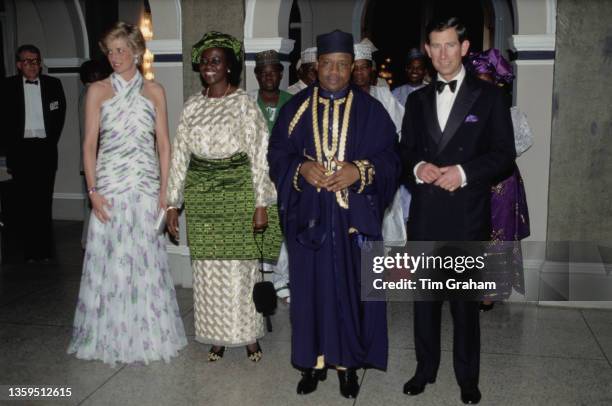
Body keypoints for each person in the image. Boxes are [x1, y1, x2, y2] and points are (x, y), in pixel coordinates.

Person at [268, 30, 400, 399]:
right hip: (309, 219)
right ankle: (312, 363)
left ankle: (347, 366)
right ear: (316, 66)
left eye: (343, 65)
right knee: (309, 293)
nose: (334, 72)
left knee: (351, 293)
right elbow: (276, 153)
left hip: (352, 222)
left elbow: (392, 157)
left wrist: (360, 171)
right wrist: (300, 169)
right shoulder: (294, 111)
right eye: (327, 64)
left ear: (353, 68)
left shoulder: (371, 111)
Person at [400, 17, 515, 404]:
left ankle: (467, 377)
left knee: (465, 306)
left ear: (465, 49)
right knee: (425, 302)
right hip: (427, 214)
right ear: (428, 52)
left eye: (451, 45)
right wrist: (417, 167)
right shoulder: (415, 101)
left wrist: (464, 172)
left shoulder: (490, 98)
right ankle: (424, 369)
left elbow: (504, 156)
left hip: (467, 214)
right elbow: (405, 151)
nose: (443, 54)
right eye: (436, 46)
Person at [67, 22, 187, 366]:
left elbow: (164, 145)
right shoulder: (98, 91)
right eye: (109, 50)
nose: (114, 57)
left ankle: (147, 332)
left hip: (147, 187)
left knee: (145, 261)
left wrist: (166, 192)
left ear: (136, 51)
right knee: (112, 262)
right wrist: (93, 192)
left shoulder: (155, 92)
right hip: (110, 188)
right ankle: (109, 334)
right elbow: (90, 145)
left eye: (121, 50)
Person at [166, 31, 280, 363]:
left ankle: (247, 337)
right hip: (202, 199)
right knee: (208, 271)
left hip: (239, 195)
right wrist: (173, 203)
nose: (208, 67)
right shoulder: (193, 105)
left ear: (228, 66)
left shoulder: (243, 103)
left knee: (241, 269)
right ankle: (216, 337)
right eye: (204, 61)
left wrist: (262, 203)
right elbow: (179, 156)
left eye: (215, 61)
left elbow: (261, 155)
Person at [466, 49, 532, 311]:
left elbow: (520, 143)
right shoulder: (462, 112)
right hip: (469, 180)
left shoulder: (508, 113)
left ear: (496, 84)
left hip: (501, 184)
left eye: (487, 82)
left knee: (497, 234)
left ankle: (489, 292)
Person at [0, 44, 66, 262]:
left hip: (45, 150)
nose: (32, 65)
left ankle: (45, 251)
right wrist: (10, 153)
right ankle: (29, 252)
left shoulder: (53, 84)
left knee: (43, 202)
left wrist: (49, 143)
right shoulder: (7, 86)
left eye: (36, 61)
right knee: (25, 203)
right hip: (21, 151)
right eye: (27, 61)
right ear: (19, 64)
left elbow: (59, 117)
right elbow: (5, 124)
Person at [352, 41, 406, 246]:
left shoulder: (383, 94)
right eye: (355, 68)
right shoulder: (342, 96)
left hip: (380, 168)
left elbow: (400, 127)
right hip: (352, 172)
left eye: (364, 67)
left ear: (371, 69)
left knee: (382, 228)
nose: (359, 72)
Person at [248, 50, 292, 302]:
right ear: (256, 75)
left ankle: (280, 278)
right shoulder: (247, 102)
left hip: (284, 176)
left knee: (283, 227)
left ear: (280, 73)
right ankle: (255, 280)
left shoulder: (293, 100)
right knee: (257, 228)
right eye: (263, 72)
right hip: (256, 176)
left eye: (273, 71)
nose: (268, 76)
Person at [78, 59, 110, 249]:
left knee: (91, 204)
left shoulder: (87, 93)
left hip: (92, 159)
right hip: (96, 159)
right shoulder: (93, 93)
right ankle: (89, 241)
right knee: (94, 203)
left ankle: (89, 240)